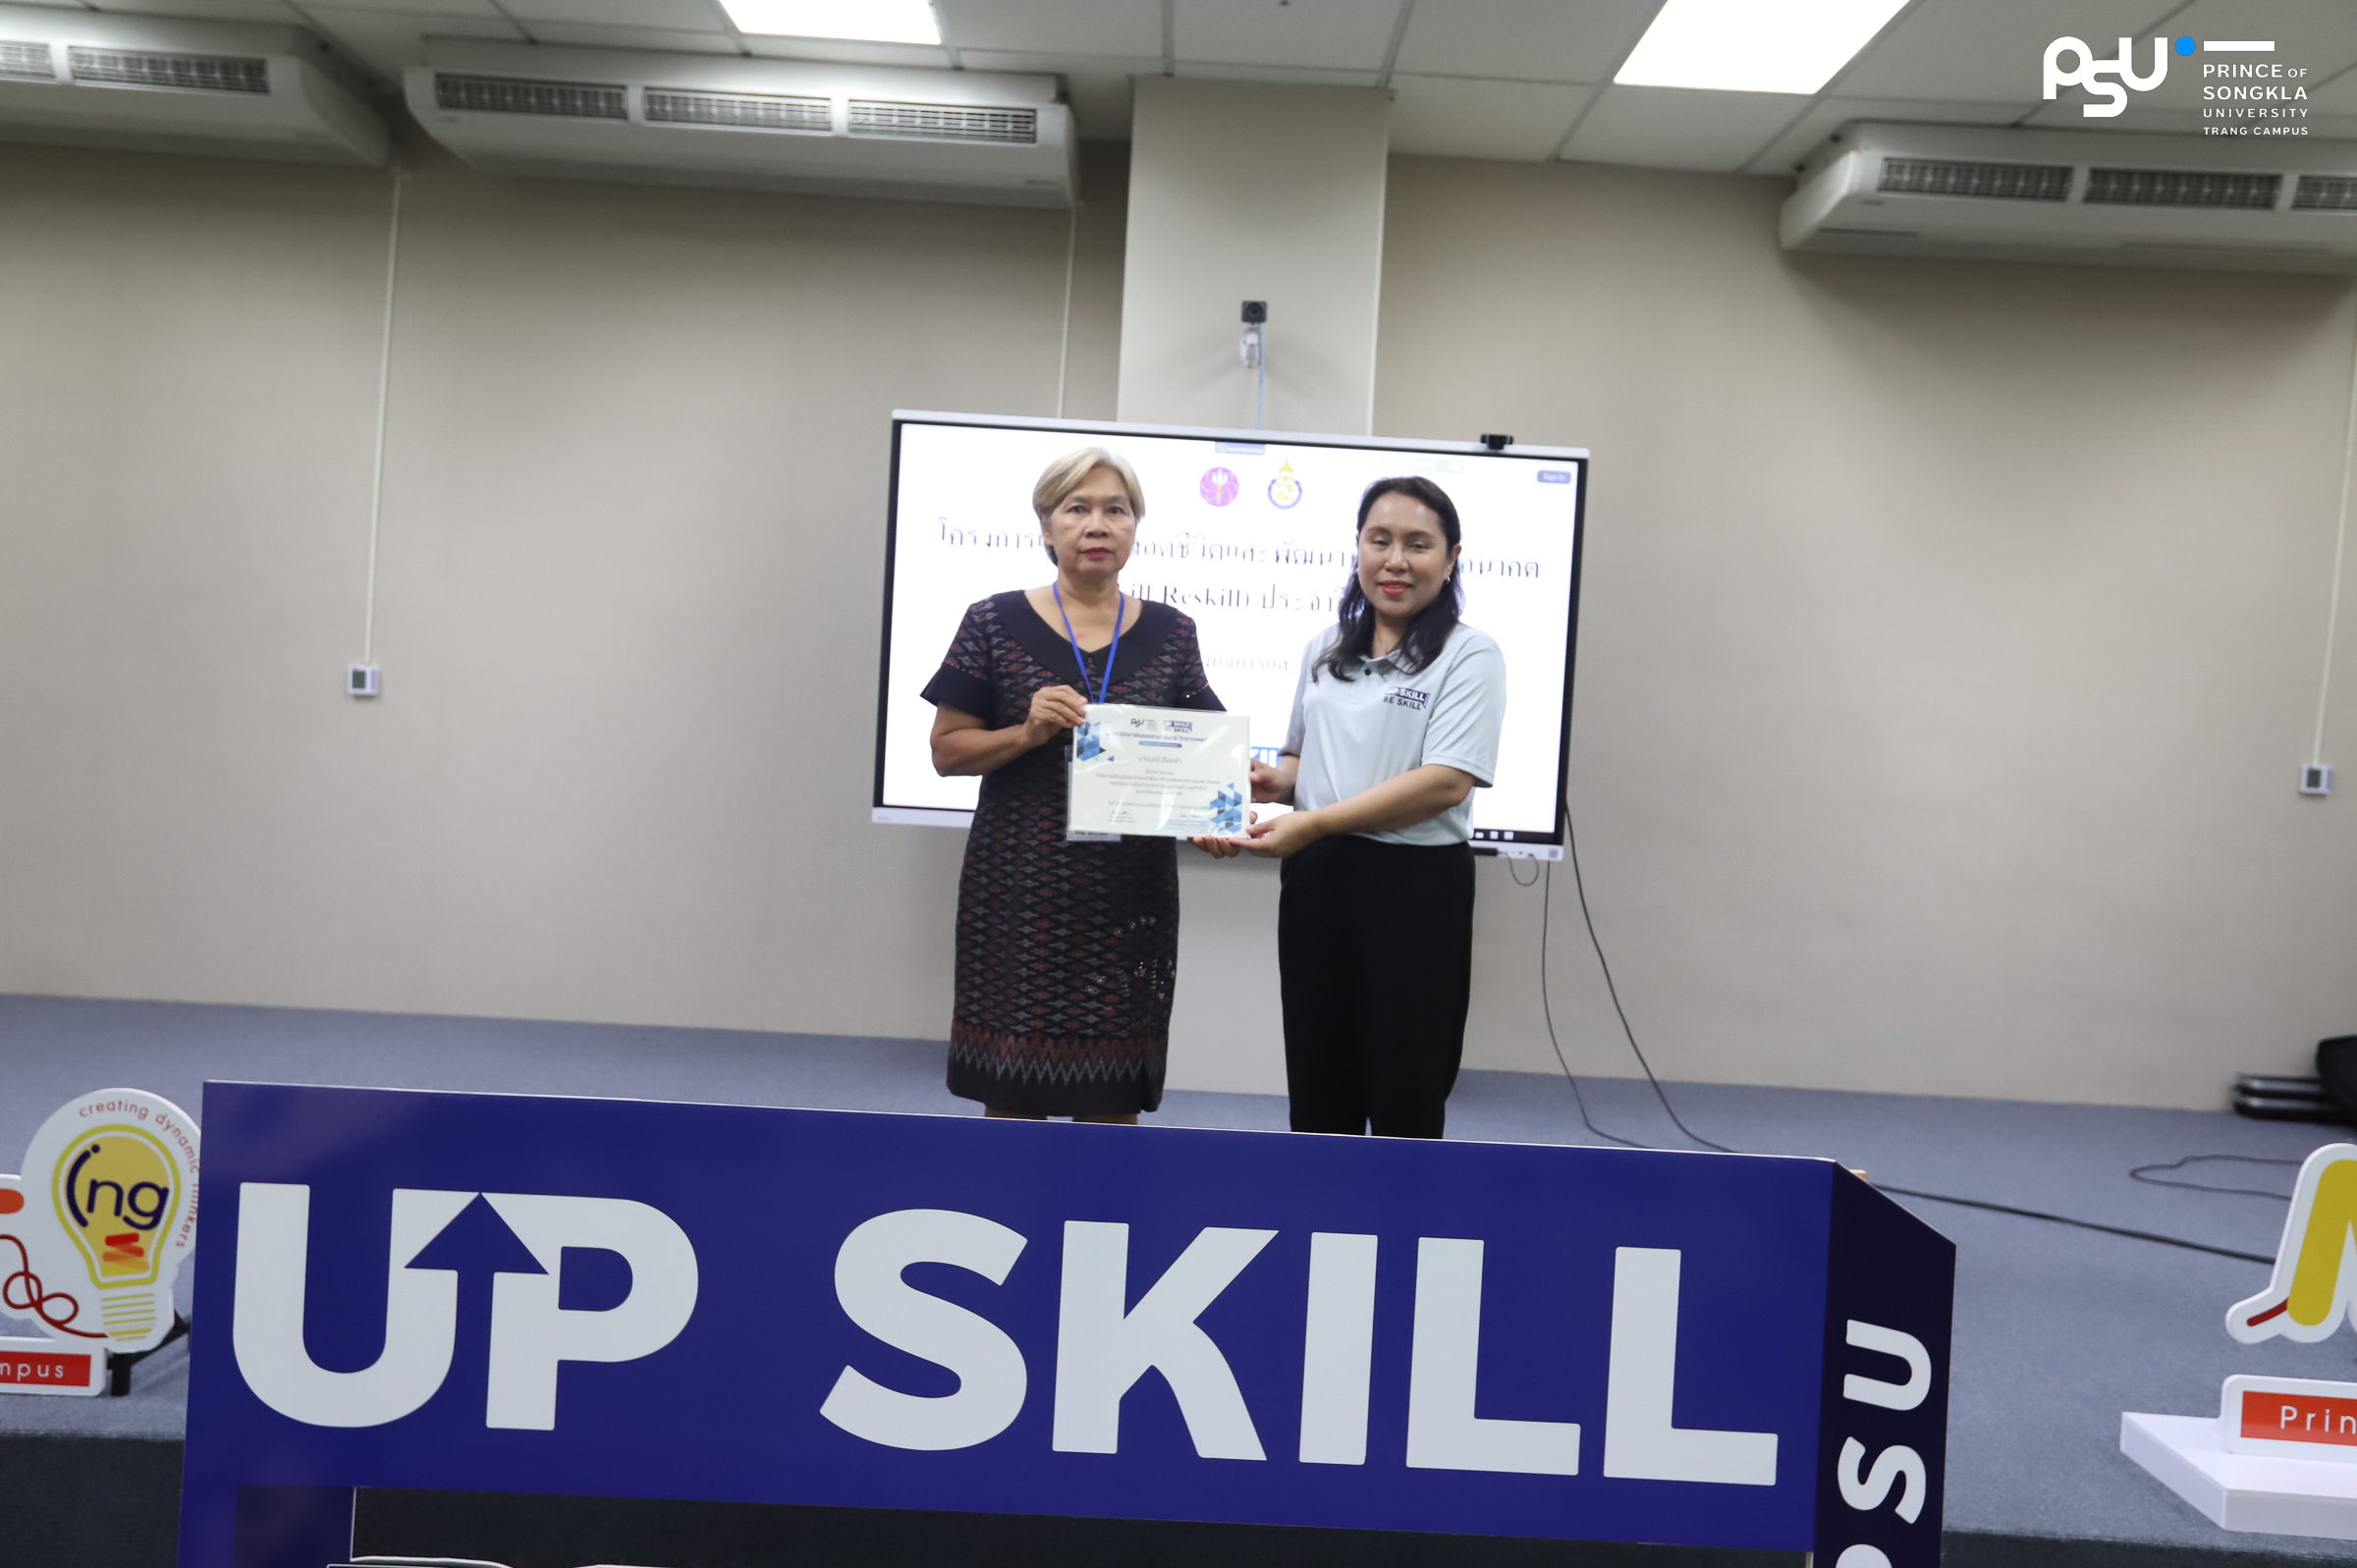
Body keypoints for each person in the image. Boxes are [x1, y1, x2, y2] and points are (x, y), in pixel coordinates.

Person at [922, 448, 1225, 1124]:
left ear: (1135, 526)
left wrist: (1218, 813)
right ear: (1047, 526)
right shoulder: (991, 621)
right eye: (1077, 508)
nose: (1097, 524)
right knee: (1013, 1093)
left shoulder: (1174, 633)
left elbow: (1207, 755)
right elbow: (946, 751)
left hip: (1130, 898)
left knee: (1111, 1096)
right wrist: (1025, 733)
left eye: (1116, 509)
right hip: (1020, 893)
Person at [1203, 475, 1505, 1138]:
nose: (1395, 561)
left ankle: (1400, 1205)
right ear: (1358, 547)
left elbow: (1445, 782)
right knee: (1319, 1087)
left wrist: (1311, 820)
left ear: (1450, 559)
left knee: (1407, 1092)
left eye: (1418, 545)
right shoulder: (1324, 647)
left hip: (1415, 888)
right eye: (1380, 540)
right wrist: (1275, 782)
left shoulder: (1470, 654)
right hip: (1318, 882)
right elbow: (1299, 757)